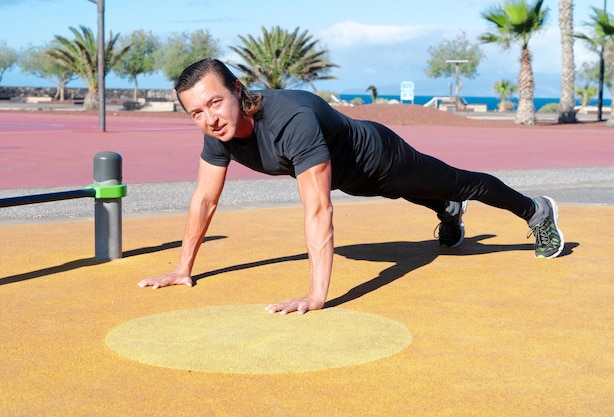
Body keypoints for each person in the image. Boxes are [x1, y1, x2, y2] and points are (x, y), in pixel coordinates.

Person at [138, 58, 564, 315]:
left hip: (382, 156)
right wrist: (182, 268)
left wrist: (315, 295)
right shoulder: (218, 134)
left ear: (237, 89)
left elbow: (318, 210)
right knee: (411, 194)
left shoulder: (290, 120)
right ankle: (447, 210)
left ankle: (537, 211)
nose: (209, 118)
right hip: (350, 179)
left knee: (457, 182)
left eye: (214, 103)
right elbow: (204, 200)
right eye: (196, 112)